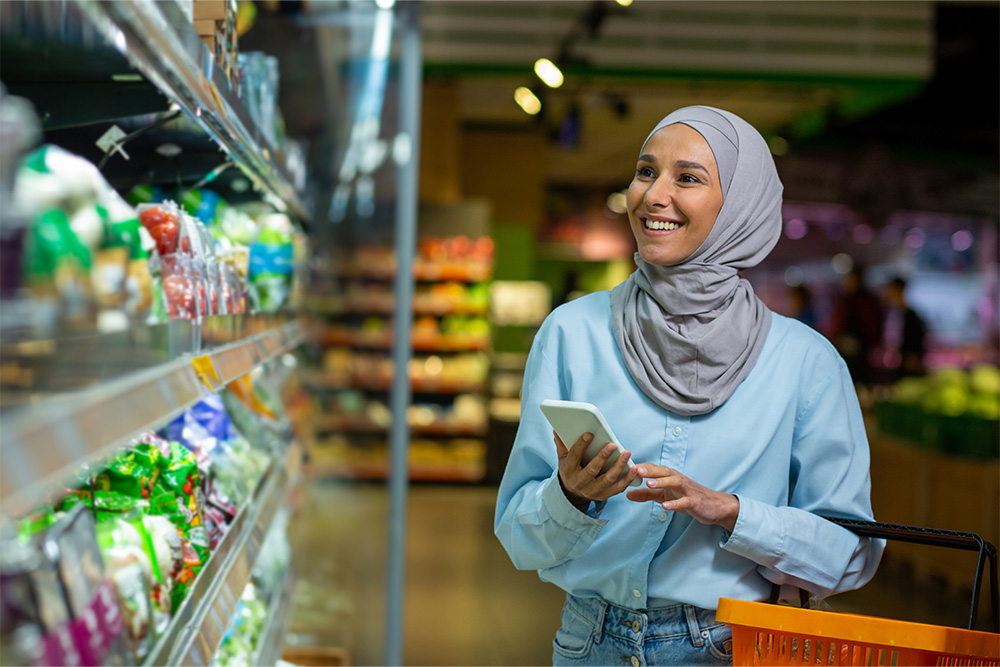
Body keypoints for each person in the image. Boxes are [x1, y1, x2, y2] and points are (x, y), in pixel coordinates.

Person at [494, 106, 883, 666]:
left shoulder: (803, 362)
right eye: (646, 171)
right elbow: (518, 536)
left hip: (730, 647)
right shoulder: (571, 333)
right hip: (589, 644)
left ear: (740, 207)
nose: (654, 194)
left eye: (689, 178)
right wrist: (572, 496)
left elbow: (848, 553)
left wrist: (731, 513)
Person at [828, 264, 884, 385]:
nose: (847, 282)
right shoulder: (845, 300)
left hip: (862, 352)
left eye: (850, 279)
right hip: (847, 350)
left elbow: (874, 327)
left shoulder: (865, 301)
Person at [882, 277, 927, 379]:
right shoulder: (887, 313)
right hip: (888, 364)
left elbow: (917, 339)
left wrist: (913, 358)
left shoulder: (911, 316)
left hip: (904, 365)